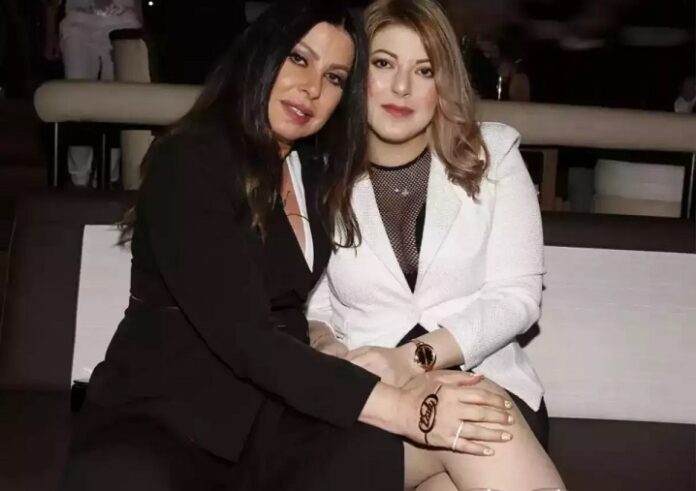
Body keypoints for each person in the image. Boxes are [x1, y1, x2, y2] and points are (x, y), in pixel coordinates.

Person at [59, 2, 516, 490]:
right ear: (261, 53)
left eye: (335, 77)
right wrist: (404, 408)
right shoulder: (190, 160)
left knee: (477, 431)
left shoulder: (312, 172)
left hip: (271, 428)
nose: (312, 88)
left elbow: (306, 309)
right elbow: (246, 337)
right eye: (299, 59)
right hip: (162, 426)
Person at [307, 0, 565, 489]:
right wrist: (328, 348)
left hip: (484, 383)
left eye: (424, 70)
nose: (402, 87)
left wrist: (411, 360)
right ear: (357, 74)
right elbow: (310, 306)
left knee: (468, 412)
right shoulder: (319, 178)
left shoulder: (492, 155)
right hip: (378, 408)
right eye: (384, 64)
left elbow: (516, 299)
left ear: (444, 84)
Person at [44, 0, 143, 186]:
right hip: (79, 22)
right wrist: (50, 35)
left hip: (123, 21)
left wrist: (141, 35)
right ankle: (79, 175)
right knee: (77, 101)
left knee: (119, 102)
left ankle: (109, 175)